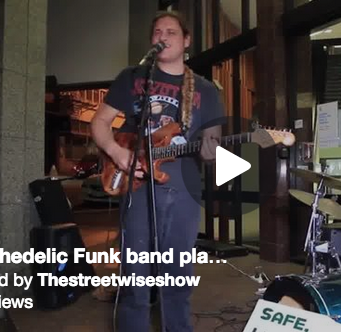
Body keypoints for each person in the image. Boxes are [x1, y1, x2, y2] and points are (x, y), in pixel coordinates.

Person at [90, 11, 225, 332]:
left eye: (172, 31)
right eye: (158, 32)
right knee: (135, 279)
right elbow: (100, 123)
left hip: (184, 192)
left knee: (177, 279)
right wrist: (118, 152)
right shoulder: (133, 77)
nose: (163, 36)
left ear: (186, 40)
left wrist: (213, 153)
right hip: (137, 187)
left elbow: (212, 146)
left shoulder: (206, 90)